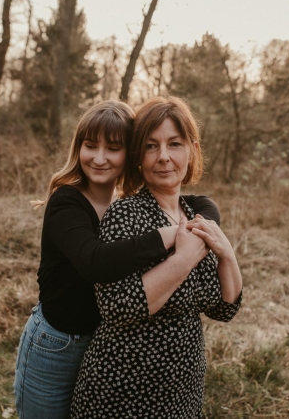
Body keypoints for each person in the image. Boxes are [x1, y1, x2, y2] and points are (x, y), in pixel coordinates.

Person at [13, 100, 221, 419]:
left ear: (131, 154)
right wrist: (176, 235)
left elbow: (199, 202)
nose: (99, 158)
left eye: (113, 148)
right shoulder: (67, 202)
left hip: (102, 343)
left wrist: (205, 218)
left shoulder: (122, 206)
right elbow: (94, 262)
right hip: (56, 343)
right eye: (90, 145)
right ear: (77, 148)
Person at [71, 96, 243, 418]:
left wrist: (227, 256)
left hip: (183, 389)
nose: (163, 157)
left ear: (191, 150)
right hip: (122, 390)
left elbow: (225, 307)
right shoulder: (125, 214)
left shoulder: (195, 216)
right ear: (139, 157)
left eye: (174, 144)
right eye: (151, 146)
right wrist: (183, 260)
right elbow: (115, 308)